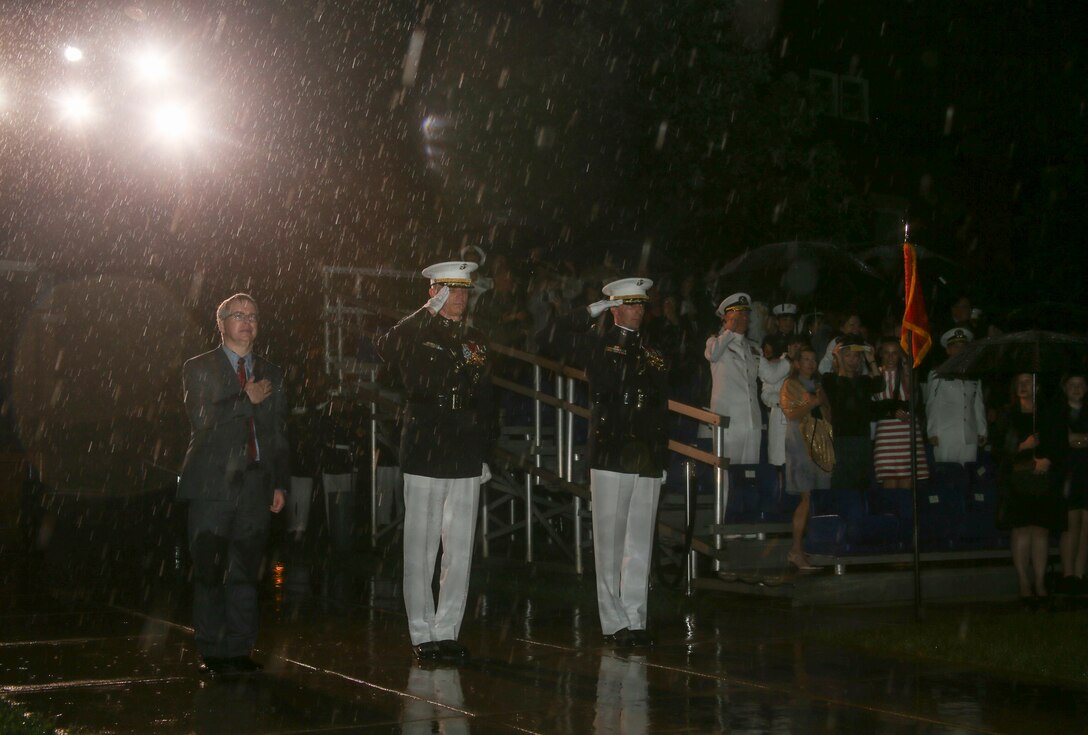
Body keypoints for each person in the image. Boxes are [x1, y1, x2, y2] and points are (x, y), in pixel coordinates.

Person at [377, 261, 494, 663]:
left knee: (459, 549)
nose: (460, 298)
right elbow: (386, 347)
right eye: (451, 290)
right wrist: (425, 312)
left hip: (464, 445)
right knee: (422, 546)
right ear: (434, 291)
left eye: (464, 291)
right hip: (426, 441)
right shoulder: (415, 331)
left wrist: (485, 453)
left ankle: (447, 629)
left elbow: (486, 396)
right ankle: (421, 630)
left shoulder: (476, 339)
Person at [178, 293, 289, 676]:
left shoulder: (272, 372)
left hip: (256, 485)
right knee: (210, 570)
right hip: (211, 485)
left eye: (253, 316)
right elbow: (203, 418)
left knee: (245, 571)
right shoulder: (200, 367)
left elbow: (277, 433)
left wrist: (279, 483)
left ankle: (240, 650)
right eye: (238, 315)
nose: (247, 321)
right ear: (221, 323)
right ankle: (211, 651)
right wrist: (244, 398)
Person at [584, 277, 669, 648]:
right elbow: (601, 383)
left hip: (645, 451)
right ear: (614, 307)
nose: (638, 311)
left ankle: (635, 617)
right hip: (612, 449)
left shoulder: (652, 349)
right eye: (631, 304)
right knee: (610, 541)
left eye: (641, 305)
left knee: (639, 541)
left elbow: (660, 405)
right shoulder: (601, 344)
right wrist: (596, 315)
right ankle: (612, 621)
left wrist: (661, 453)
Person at [994, 373, 1064, 607]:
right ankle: (1024, 581)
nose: (1023, 386)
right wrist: (1023, 446)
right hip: (1017, 482)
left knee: (1040, 531)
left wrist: (1047, 460)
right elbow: (998, 450)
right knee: (1022, 530)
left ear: (1037, 386)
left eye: (1028, 382)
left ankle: (1041, 581)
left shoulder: (1047, 414)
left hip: (1042, 481)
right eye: (1020, 382)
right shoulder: (1008, 415)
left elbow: (1057, 443)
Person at [779, 345, 832, 570]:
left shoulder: (819, 385)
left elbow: (829, 413)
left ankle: (808, 548)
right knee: (806, 498)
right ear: (797, 363)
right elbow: (791, 412)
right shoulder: (791, 384)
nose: (810, 363)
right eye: (806, 359)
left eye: (813, 359)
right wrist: (813, 402)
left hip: (821, 445)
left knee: (817, 499)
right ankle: (796, 550)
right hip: (801, 446)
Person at [703, 292, 762, 465]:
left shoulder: (753, 347)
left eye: (746, 314)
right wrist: (728, 330)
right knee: (727, 475)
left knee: (749, 476)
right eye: (738, 314)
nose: (743, 318)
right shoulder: (715, 342)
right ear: (725, 317)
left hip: (751, 420)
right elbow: (713, 355)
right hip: (729, 421)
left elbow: (767, 374)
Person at [821, 335, 883, 492]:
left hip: (862, 437)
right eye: (847, 355)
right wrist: (839, 360)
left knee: (861, 481)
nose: (852, 360)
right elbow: (843, 387)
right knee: (842, 481)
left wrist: (871, 359)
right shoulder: (829, 379)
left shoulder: (863, 380)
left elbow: (880, 385)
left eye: (855, 356)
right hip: (841, 438)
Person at [872, 337, 929, 488]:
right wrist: (890, 410)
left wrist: (906, 368)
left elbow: (912, 396)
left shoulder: (906, 373)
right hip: (886, 433)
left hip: (906, 430)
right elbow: (872, 404)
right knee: (889, 477)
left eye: (895, 353)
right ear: (881, 354)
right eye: (887, 353)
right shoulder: (875, 374)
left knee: (907, 478)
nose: (890, 357)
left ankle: (905, 511)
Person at [925, 328, 987, 465]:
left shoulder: (974, 375)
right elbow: (932, 404)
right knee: (947, 476)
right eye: (955, 346)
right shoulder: (938, 374)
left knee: (968, 477)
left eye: (963, 346)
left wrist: (982, 430)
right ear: (948, 350)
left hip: (969, 434)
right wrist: (932, 432)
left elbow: (978, 404)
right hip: (946, 435)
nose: (959, 350)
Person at [1058, 372, 1088, 595]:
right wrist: (1082, 439)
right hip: (1068, 474)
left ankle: (1080, 575)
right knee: (1071, 525)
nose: (1076, 388)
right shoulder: (1058, 413)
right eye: (1072, 384)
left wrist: (1077, 439)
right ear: (1065, 388)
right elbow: (1064, 439)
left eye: (1080, 385)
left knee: (1086, 525)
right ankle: (1067, 576)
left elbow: (1074, 439)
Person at [760, 334, 806, 470]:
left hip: (803, 424)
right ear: (789, 347)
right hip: (781, 423)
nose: (798, 349)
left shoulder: (809, 367)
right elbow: (766, 396)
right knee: (780, 466)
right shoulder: (776, 365)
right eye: (795, 346)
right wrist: (785, 400)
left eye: (801, 346)